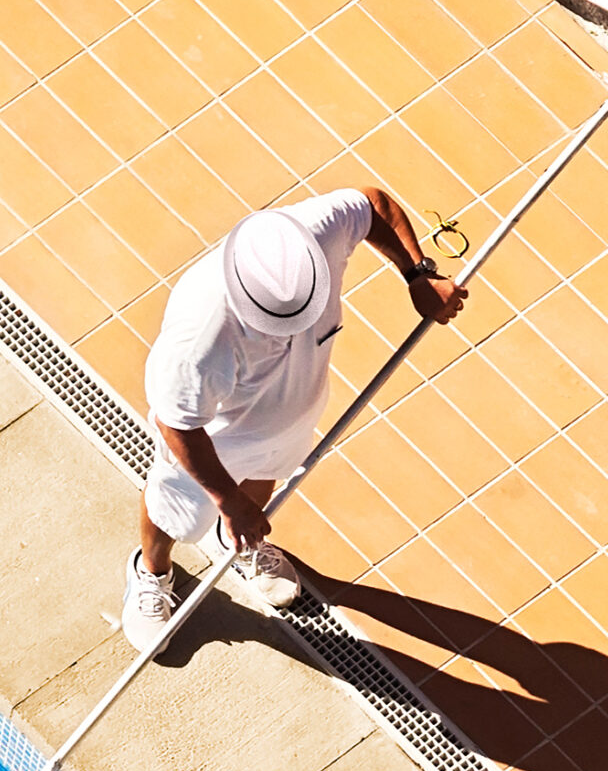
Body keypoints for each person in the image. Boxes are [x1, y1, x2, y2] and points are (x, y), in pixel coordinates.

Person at [121, 188, 465, 650]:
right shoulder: (199, 338)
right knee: (176, 513)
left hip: (293, 413)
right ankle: (151, 572)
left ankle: (239, 544)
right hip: (213, 440)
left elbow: (374, 206)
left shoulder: (310, 235)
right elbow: (177, 425)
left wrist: (419, 275)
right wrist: (227, 499)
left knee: (266, 476)